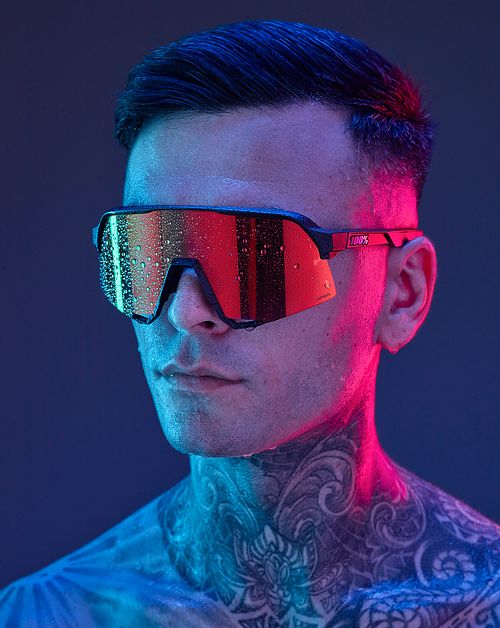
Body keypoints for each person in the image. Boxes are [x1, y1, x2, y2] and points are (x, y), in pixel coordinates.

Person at [1, 19, 499, 628]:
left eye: (258, 256)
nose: (184, 311)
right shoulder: (46, 615)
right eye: (143, 251)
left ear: (402, 293)